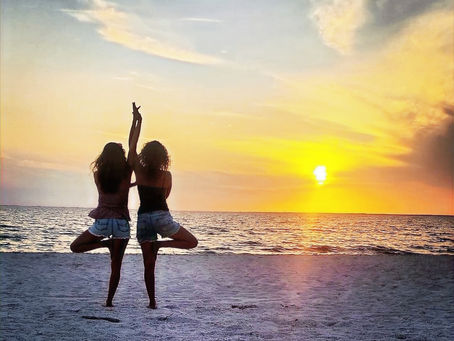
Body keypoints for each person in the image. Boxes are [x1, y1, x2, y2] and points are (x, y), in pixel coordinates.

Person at [70, 103, 141, 307]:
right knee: (116, 266)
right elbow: (132, 145)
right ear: (120, 157)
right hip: (120, 223)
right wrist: (136, 120)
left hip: (102, 223)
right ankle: (109, 301)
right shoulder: (127, 171)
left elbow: (76, 247)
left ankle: (104, 244)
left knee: (76, 247)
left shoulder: (98, 175)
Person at [129, 103, 198, 309]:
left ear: (144, 156)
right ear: (164, 158)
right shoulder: (166, 175)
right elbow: (165, 196)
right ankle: (162, 245)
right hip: (161, 217)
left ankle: (152, 302)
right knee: (191, 241)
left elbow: (131, 145)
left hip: (143, 219)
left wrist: (137, 121)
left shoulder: (138, 170)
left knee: (148, 265)